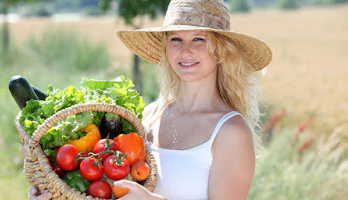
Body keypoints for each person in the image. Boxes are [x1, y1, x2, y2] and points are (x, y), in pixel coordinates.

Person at [29, 0, 272, 199]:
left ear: (221, 50)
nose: (185, 50)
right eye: (175, 39)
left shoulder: (231, 132)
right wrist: (56, 192)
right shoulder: (148, 116)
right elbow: (104, 187)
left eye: (199, 39)